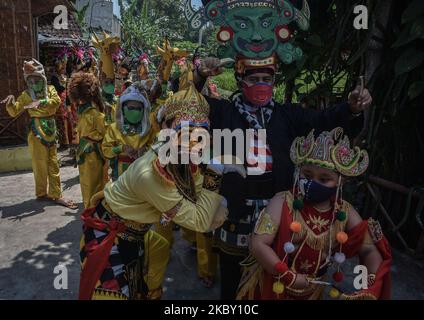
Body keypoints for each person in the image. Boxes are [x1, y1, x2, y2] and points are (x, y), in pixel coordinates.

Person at [189, 0, 373, 299]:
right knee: (233, 277)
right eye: (253, 78)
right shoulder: (222, 112)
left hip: (280, 209)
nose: (261, 84)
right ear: (240, 79)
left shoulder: (287, 114)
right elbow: (186, 106)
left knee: (274, 274)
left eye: (267, 79)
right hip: (235, 208)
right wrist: (198, 77)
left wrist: (351, 108)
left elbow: (325, 121)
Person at [78, 74, 228, 300]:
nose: (194, 139)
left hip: (137, 233)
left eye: (202, 130)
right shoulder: (151, 173)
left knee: (156, 254)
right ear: (165, 127)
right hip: (108, 235)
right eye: (185, 129)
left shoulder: (178, 157)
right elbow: (200, 220)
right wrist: (215, 174)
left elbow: (197, 194)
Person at [237, 128, 392, 300]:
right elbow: (258, 244)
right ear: (299, 171)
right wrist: (289, 276)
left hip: (312, 291)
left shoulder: (344, 212)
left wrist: (368, 288)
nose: (312, 182)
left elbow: (370, 251)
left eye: (324, 179)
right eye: (307, 174)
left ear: (340, 182)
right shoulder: (281, 201)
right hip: (272, 285)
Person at [1, 59, 77, 209]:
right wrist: (10, 102)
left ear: (42, 78)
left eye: (37, 79)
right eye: (31, 79)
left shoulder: (50, 90)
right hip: (36, 131)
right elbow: (15, 111)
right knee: (39, 164)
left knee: (53, 163)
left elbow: (56, 102)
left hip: (50, 127)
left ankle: (56, 194)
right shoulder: (26, 95)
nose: (34, 82)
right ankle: (41, 192)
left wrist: (41, 103)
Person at [102, 83, 159, 181]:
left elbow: (157, 148)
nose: (135, 112)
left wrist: (146, 151)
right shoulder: (114, 128)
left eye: (138, 109)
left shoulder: (149, 129)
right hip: (120, 176)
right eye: (131, 108)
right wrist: (121, 148)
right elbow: (106, 150)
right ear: (123, 109)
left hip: (143, 175)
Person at [68, 71, 107, 209]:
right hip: (84, 155)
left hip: (94, 155)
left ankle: (93, 211)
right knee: (86, 184)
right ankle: (89, 209)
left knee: (93, 185)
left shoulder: (96, 115)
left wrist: (93, 139)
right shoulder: (84, 113)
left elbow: (106, 136)